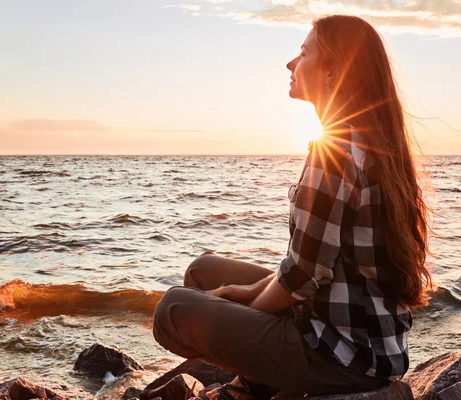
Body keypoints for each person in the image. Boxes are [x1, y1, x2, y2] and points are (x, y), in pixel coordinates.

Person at [153, 14, 432, 400]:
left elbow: (302, 275)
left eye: (303, 52)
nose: (291, 63)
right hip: (366, 345)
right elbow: (310, 263)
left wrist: (248, 298)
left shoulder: (334, 151)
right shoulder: (371, 143)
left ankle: (258, 382)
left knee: (172, 310)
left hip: (340, 358)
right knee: (203, 272)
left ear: (333, 71)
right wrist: (246, 292)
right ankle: (256, 382)